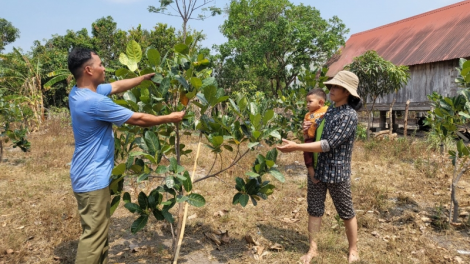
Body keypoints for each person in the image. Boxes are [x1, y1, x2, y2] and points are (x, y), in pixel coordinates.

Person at [67, 47, 185, 264]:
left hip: (85, 174)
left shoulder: (78, 93)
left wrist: (142, 78)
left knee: (99, 233)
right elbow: (138, 119)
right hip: (92, 179)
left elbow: (116, 86)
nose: (104, 68)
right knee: (93, 237)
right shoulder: (95, 102)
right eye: (100, 64)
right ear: (88, 70)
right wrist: (171, 117)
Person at [277, 70, 363, 263]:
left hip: (336, 172)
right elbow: (317, 136)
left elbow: (328, 144)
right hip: (317, 169)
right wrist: (307, 132)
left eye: (336, 87)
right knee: (314, 209)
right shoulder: (328, 111)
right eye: (331, 86)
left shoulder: (349, 116)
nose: (331, 89)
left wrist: (296, 147)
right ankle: (313, 249)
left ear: (347, 92)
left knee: (346, 211)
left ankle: (353, 249)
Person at [302, 89, 328, 183]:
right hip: (311, 138)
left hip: (323, 138)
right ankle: (312, 174)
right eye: (307, 102)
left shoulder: (327, 110)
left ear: (320, 102)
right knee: (307, 155)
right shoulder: (307, 115)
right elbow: (305, 130)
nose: (307, 104)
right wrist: (305, 131)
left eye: (310, 101)